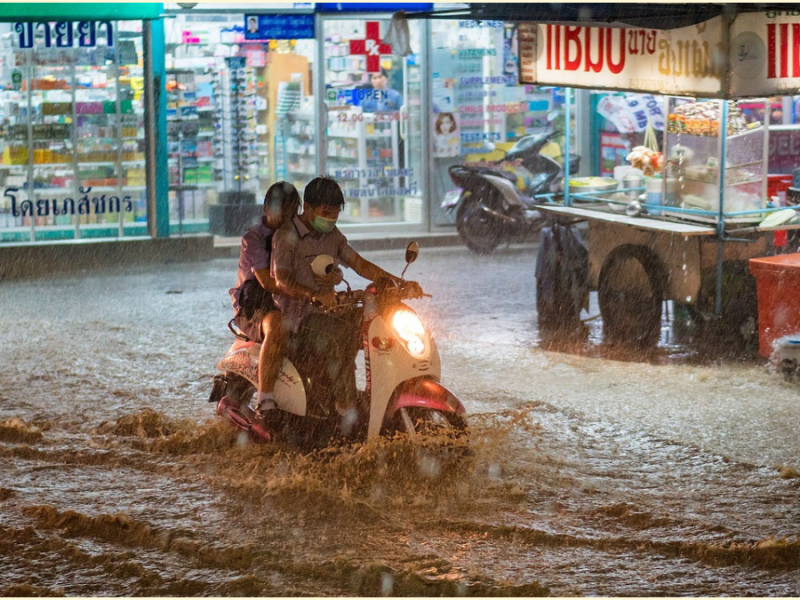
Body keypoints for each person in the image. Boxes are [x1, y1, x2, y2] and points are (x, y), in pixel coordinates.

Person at [271, 175, 421, 432]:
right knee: (341, 335)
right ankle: (346, 411)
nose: (330, 219)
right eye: (325, 212)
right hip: (299, 319)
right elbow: (281, 279)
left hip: (331, 312)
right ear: (307, 208)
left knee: (378, 324)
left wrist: (398, 284)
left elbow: (359, 263)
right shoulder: (286, 236)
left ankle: (382, 396)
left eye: (335, 214)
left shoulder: (333, 236)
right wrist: (312, 295)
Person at [228, 181, 300, 424]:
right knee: (278, 326)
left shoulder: (298, 237)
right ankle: (264, 399)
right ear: (267, 208)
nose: (286, 218)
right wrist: (306, 293)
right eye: (282, 211)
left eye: (292, 212)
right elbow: (267, 282)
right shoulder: (254, 239)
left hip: (288, 299)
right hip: (255, 305)